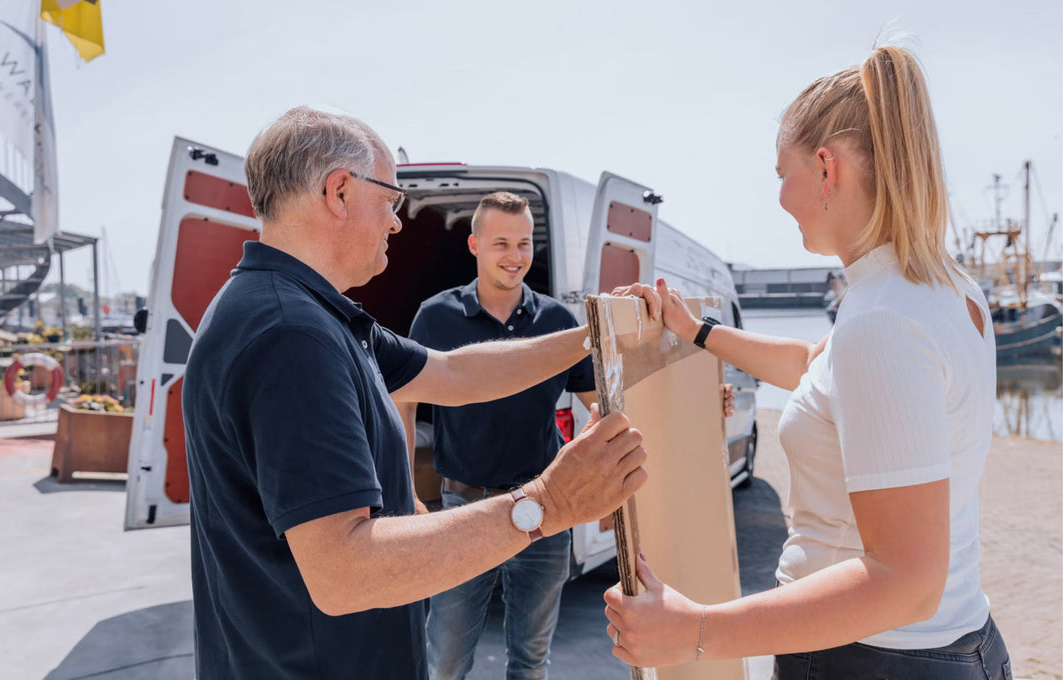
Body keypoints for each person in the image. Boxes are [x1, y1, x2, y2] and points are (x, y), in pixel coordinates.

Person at [181, 106, 654, 680]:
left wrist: (591, 337)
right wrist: (548, 503)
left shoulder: (303, 313)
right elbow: (345, 570)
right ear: (339, 191)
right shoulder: (291, 336)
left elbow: (454, 374)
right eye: (392, 200)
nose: (398, 223)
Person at [605, 46, 1011, 679]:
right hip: (954, 647)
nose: (780, 197)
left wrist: (696, 630)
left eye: (780, 174)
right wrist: (698, 330)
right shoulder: (942, 288)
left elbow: (906, 581)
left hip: (872, 660)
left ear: (827, 168)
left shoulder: (882, 319)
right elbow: (813, 369)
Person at [397, 192, 598, 680]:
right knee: (444, 663)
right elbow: (403, 405)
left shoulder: (556, 322)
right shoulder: (435, 316)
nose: (515, 256)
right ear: (475, 245)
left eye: (525, 244)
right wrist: (404, 490)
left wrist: (586, 473)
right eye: (502, 243)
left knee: (530, 663)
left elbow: (602, 405)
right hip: (461, 511)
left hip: (544, 512)